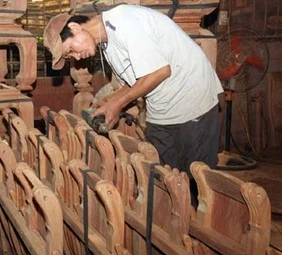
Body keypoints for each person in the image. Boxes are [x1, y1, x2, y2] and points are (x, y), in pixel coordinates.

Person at [43, 4, 223, 207]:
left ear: (75, 27)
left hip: (192, 100)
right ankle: (176, 231)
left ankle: (198, 232)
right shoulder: (107, 44)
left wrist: (118, 104)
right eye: (70, 57)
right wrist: (109, 102)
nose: (77, 58)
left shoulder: (124, 22)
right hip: (162, 108)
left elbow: (160, 71)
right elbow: (133, 81)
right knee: (166, 182)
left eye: (70, 50)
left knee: (198, 186)